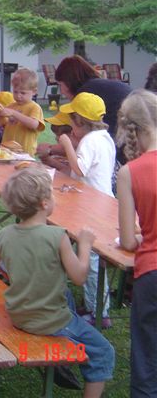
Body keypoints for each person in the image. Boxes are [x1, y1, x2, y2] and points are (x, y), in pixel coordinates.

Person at [0, 167, 114, 398]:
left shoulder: (6, 234)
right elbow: (79, 277)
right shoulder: (58, 236)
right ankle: (67, 357)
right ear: (44, 203)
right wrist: (84, 246)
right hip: (48, 320)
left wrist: (2, 237)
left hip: (19, 314)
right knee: (104, 351)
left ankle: (63, 355)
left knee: (66, 295)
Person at [58, 92, 115, 328]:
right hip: (102, 204)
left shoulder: (90, 141)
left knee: (91, 259)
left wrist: (66, 143)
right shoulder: (104, 138)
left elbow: (80, 168)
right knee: (92, 258)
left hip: (93, 207)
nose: (70, 128)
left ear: (80, 121)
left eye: (72, 122)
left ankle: (99, 312)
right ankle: (94, 304)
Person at [115, 89, 157, 397]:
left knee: (146, 359)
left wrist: (146, 236)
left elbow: (128, 240)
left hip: (151, 274)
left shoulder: (129, 172)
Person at [0, 68, 45, 156]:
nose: (18, 96)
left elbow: (34, 124)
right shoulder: (11, 106)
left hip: (24, 152)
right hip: (6, 151)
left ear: (34, 92)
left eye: (23, 93)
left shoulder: (35, 107)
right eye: (15, 92)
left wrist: (14, 113)